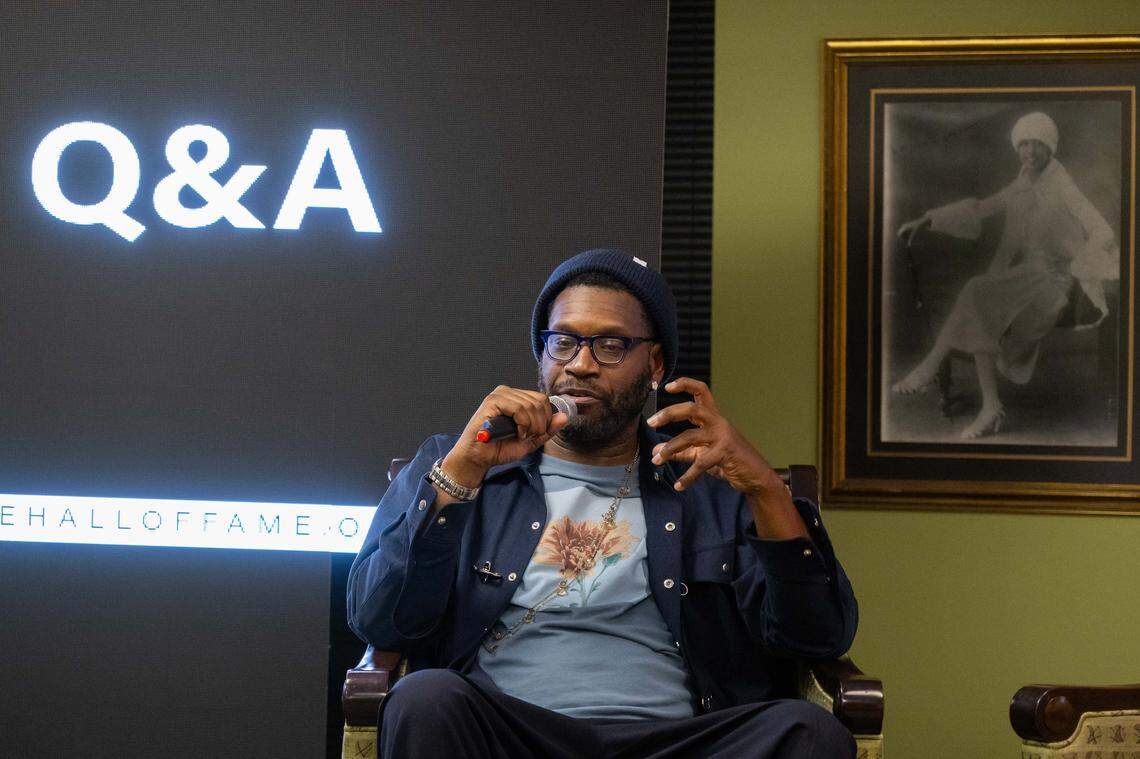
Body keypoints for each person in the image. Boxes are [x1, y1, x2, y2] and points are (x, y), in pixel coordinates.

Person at [348, 249, 858, 758]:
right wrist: (462, 472)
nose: (582, 365)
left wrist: (767, 489)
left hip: (670, 741)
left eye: (611, 345)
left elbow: (814, 640)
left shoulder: (710, 483)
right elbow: (380, 619)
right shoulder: (460, 465)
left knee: (808, 732)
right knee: (426, 699)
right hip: (512, 731)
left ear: (654, 364)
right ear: (542, 355)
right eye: (563, 342)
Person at [892, 111, 1119, 439]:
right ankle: (990, 407)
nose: (1029, 152)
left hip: (1056, 286)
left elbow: (1102, 230)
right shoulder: (1023, 181)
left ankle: (936, 370)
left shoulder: (1063, 184)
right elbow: (984, 208)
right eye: (1023, 144)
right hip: (1028, 277)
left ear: (1049, 148)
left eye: (1037, 144)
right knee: (977, 295)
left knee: (977, 294)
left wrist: (1081, 264)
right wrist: (927, 220)